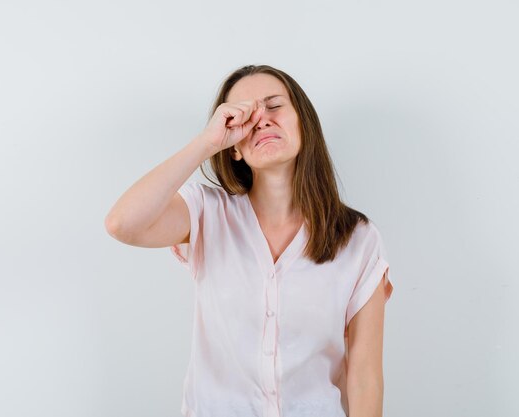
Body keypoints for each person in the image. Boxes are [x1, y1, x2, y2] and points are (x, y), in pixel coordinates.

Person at [105, 64, 394, 417]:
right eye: (242, 116)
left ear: (303, 121)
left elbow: (364, 377)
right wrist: (206, 142)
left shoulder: (358, 238)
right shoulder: (206, 213)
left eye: (274, 106)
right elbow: (123, 224)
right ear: (234, 149)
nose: (261, 120)